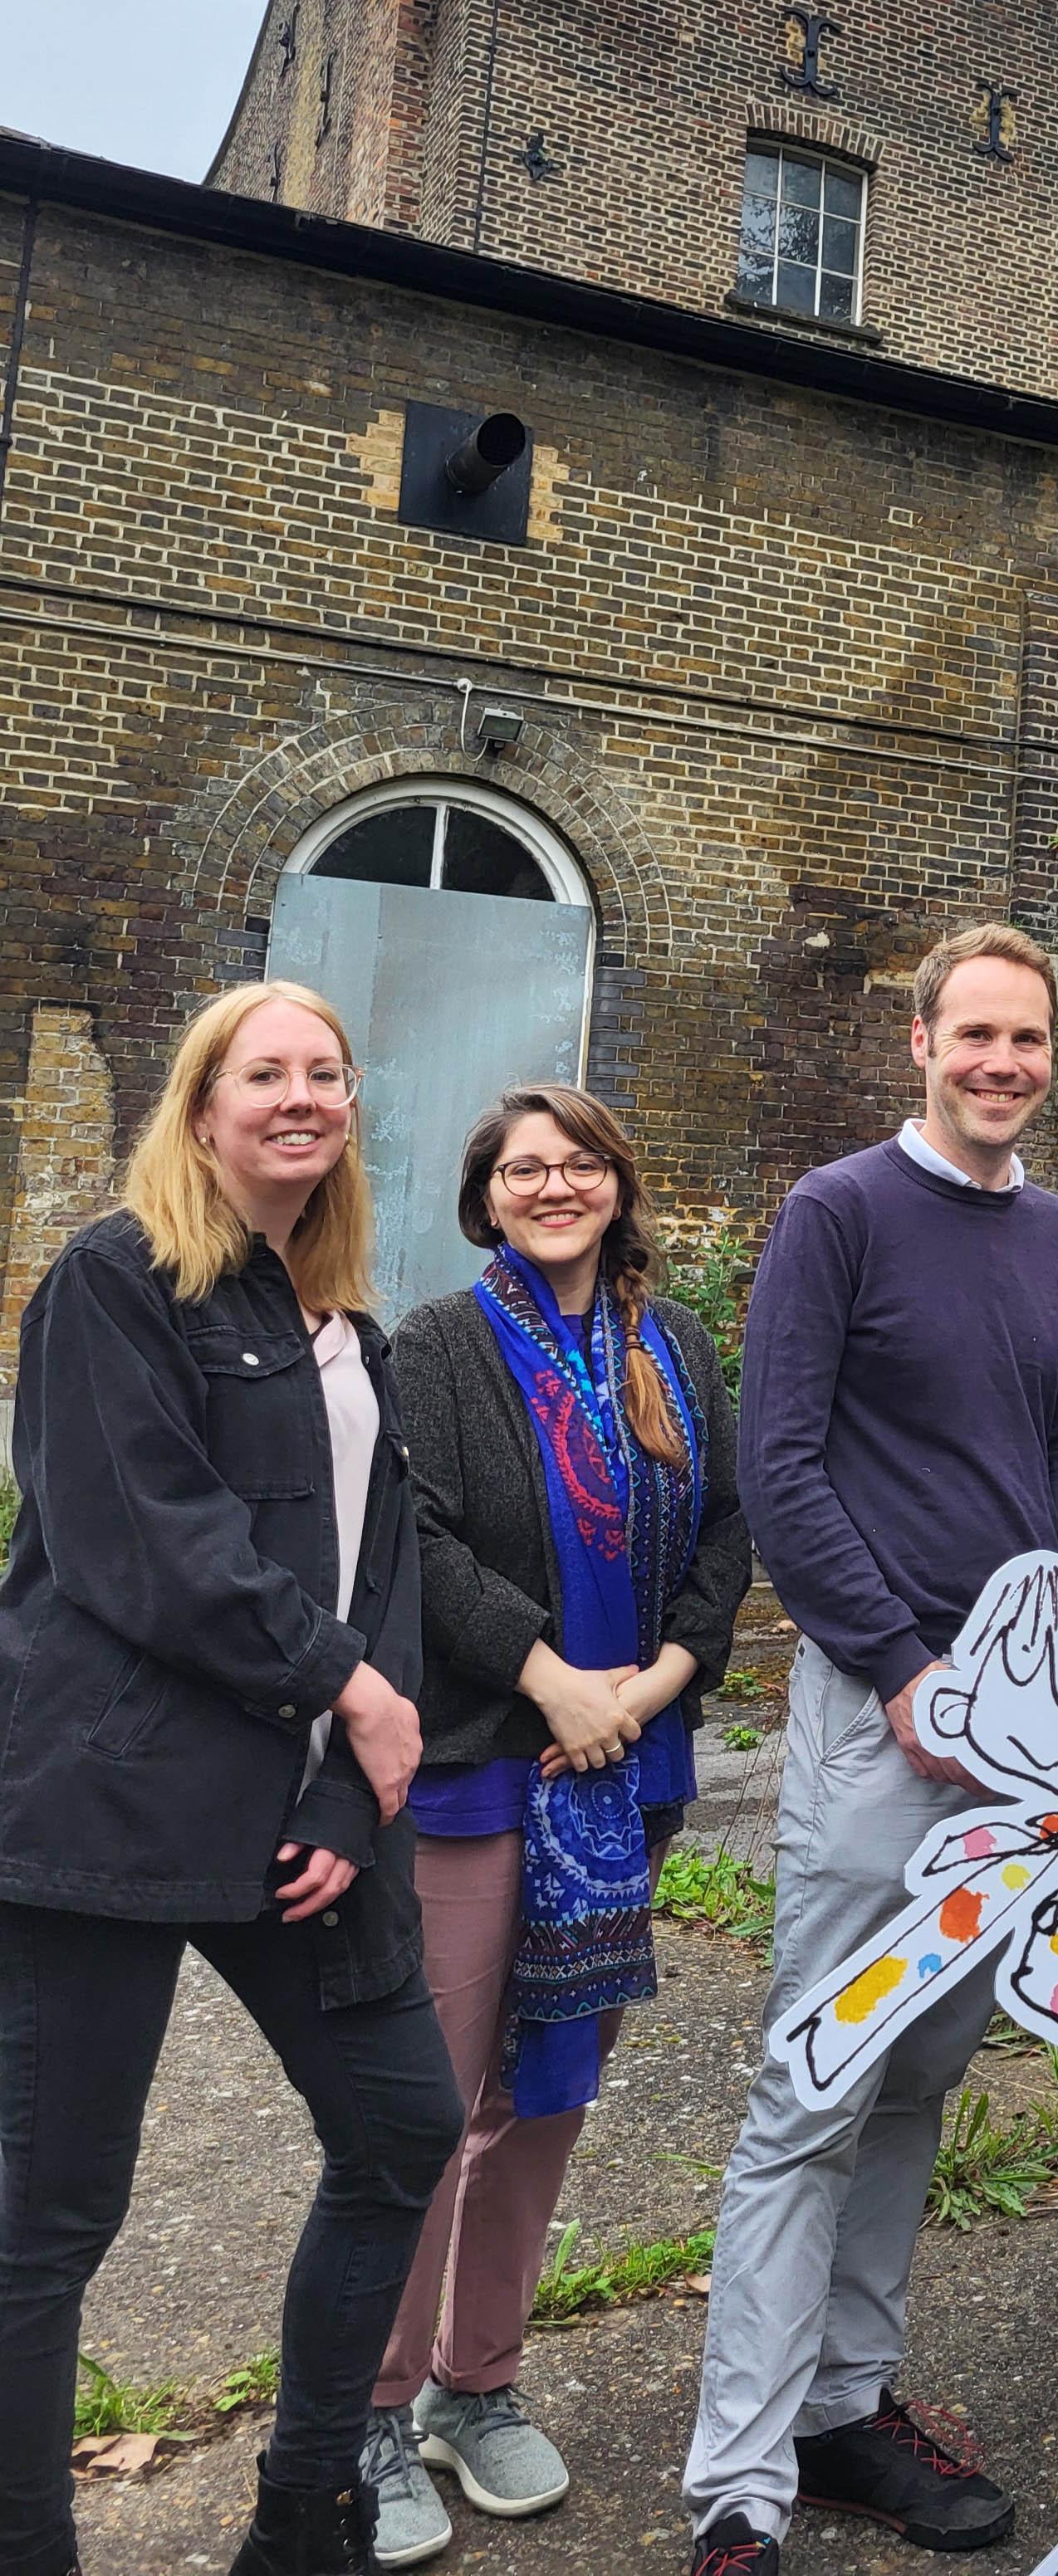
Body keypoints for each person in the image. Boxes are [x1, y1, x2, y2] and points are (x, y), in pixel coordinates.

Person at [0, 982, 463, 2576]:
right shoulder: (115, 1280)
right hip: (104, 1805)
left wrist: (350, 1782)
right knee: (49, 2224)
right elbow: (140, 1531)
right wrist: (337, 1679)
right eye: (262, 1073)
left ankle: (306, 2514)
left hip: (300, 1814)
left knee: (405, 2123)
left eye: (326, 1073)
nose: (300, 1096)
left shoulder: (342, 1320)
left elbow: (379, 1559)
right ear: (199, 1110)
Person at [682, 923, 1058, 2575]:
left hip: (1022, 1731)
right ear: (921, 1041)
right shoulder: (839, 1211)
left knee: (923, 2073)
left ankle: (845, 2404)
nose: (1004, 1060)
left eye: (1030, 1037)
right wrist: (904, 1666)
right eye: (977, 1033)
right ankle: (737, 2481)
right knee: (814, 2083)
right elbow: (781, 1464)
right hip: (886, 1719)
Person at [360, 1088, 750, 2565]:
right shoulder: (444, 1346)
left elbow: (725, 1530)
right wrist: (546, 1677)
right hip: (487, 1770)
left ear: (616, 1183)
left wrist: (647, 1689)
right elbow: (423, 1541)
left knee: (549, 2085)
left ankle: (479, 2382)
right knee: (431, 2100)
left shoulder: (675, 1343)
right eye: (524, 1167)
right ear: (487, 1197)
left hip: (625, 1766)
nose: (553, 1184)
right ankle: (374, 2409)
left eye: (577, 1161)